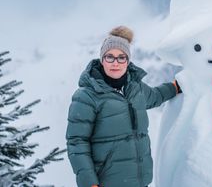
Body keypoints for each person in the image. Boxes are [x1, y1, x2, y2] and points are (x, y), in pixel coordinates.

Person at [66, 26, 182, 187]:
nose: (116, 63)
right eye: (110, 57)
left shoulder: (135, 88)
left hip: (141, 181)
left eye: (121, 57)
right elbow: (77, 142)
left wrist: (176, 87)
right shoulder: (86, 96)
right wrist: (89, 183)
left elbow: (156, 96)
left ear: (128, 61)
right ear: (102, 59)